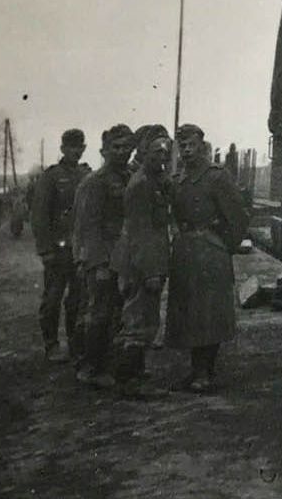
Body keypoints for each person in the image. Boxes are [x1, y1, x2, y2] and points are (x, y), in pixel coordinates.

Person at [165, 124, 249, 393]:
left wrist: (224, 246)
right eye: (183, 146)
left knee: (209, 313)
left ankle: (206, 372)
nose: (187, 151)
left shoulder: (217, 178)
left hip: (210, 251)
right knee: (189, 313)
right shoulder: (177, 179)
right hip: (185, 251)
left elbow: (238, 216)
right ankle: (195, 370)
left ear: (202, 146)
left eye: (192, 145)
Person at [73, 124, 135, 388]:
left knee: (119, 312)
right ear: (104, 150)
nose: (121, 152)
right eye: (115, 147)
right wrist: (97, 263)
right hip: (104, 258)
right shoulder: (95, 182)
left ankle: (110, 364)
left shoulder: (131, 177)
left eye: (125, 147)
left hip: (125, 256)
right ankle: (90, 367)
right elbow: (89, 226)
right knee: (98, 312)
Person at [113, 135, 173, 398]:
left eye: (165, 151)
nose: (162, 155)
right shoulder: (141, 185)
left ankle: (135, 372)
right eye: (156, 151)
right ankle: (129, 381)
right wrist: (150, 271)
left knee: (146, 319)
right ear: (144, 152)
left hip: (147, 260)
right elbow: (140, 232)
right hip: (141, 264)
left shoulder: (154, 181)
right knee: (137, 321)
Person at [30, 129, 91, 363]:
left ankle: (76, 345)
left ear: (84, 149)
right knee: (53, 298)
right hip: (58, 250)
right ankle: (51, 344)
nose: (75, 151)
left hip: (79, 249)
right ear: (63, 149)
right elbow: (40, 216)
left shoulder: (87, 174)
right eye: (71, 147)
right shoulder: (52, 177)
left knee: (78, 299)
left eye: (79, 147)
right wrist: (45, 249)